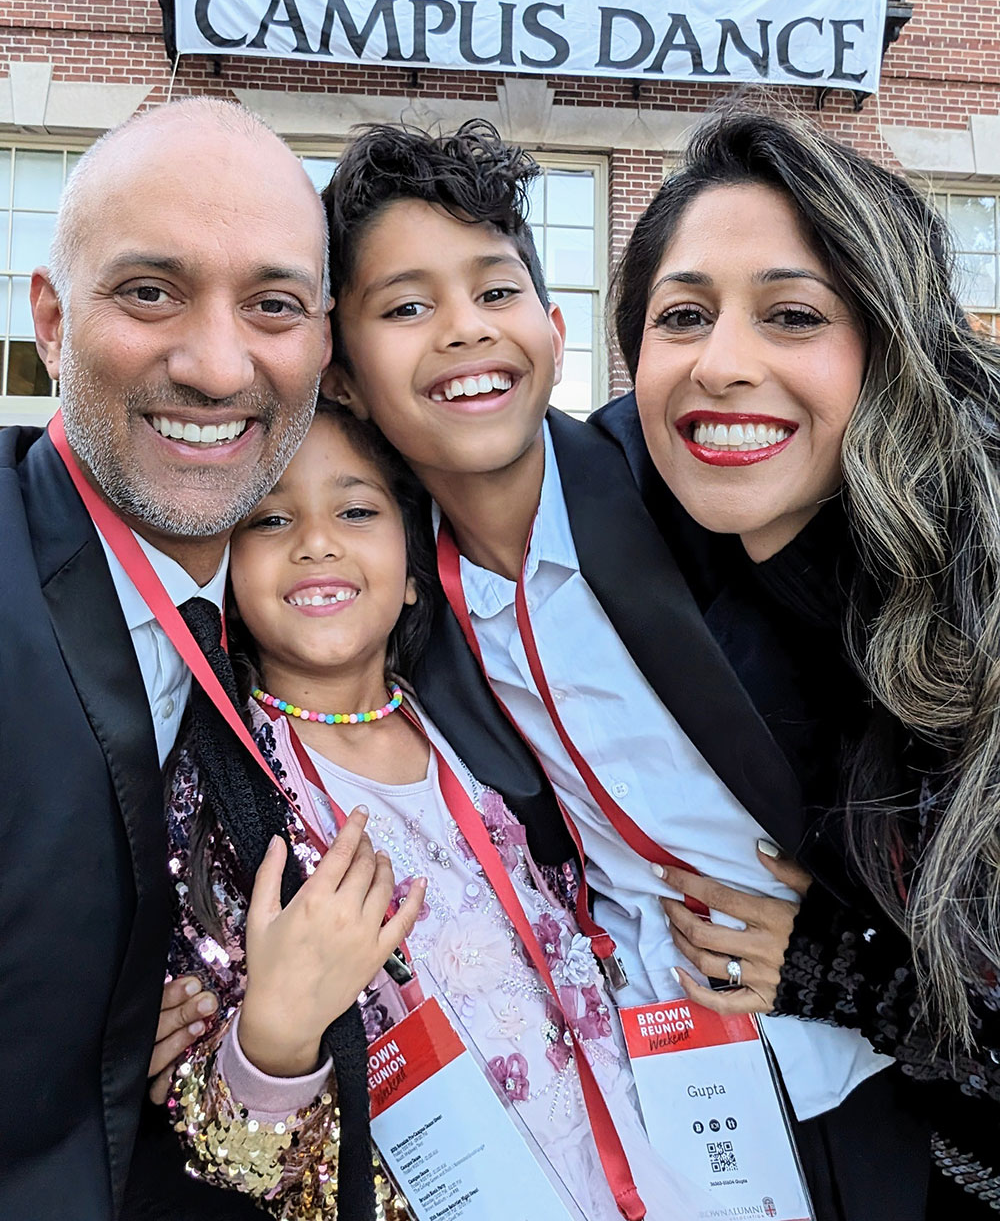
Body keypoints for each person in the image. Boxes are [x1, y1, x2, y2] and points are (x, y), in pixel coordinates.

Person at [321, 120, 930, 1221]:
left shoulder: (704, 489)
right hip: (642, 1081)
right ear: (348, 377)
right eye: (406, 307)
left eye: (496, 292)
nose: (464, 331)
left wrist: (844, 945)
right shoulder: (397, 597)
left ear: (554, 329)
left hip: (850, 1055)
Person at [597, 105, 1000, 1214]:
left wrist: (842, 971)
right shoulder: (626, 529)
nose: (722, 364)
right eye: (682, 316)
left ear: (886, 346)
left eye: (790, 315)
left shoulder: (978, 589)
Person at [163, 399, 690, 1221]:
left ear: (414, 568)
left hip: (627, 1172)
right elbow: (232, 1159)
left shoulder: (479, 731)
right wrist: (274, 1031)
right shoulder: (223, 797)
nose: (317, 541)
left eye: (356, 509)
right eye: (269, 520)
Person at [0, 98, 332, 1220]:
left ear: (325, 344)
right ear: (49, 320)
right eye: (150, 292)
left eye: (274, 305)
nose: (214, 363)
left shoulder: (317, 610)